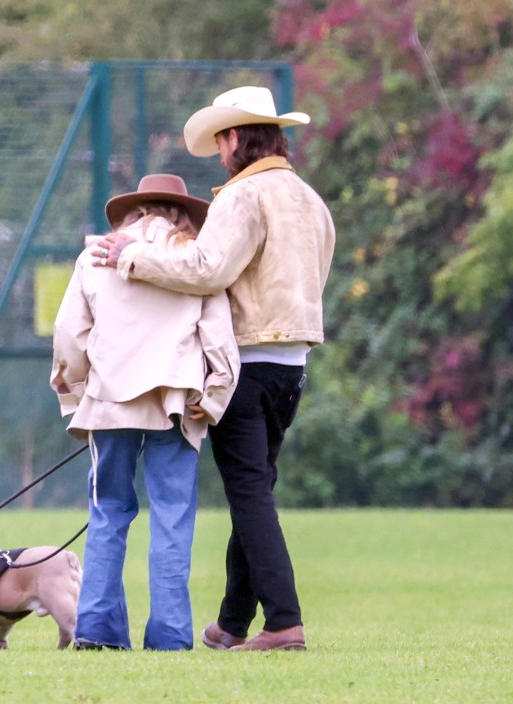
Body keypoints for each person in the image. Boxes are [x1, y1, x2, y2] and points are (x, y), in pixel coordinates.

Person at [95, 86, 336, 651]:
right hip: (292, 366)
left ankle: (284, 623)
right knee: (256, 490)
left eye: (221, 142)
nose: (220, 154)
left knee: (250, 494)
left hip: (247, 362)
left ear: (234, 138)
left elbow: (207, 269)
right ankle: (232, 623)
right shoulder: (310, 200)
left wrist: (130, 256)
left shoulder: (243, 196)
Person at [50, 174, 240, 651]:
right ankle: (172, 635)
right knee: (173, 516)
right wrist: (212, 397)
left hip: (110, 400)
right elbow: (220, 341)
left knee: (107, 512)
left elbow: (70, 335)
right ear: (180, 213)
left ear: (134, 211)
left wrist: (77, 397)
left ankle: (97, 629)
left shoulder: (95, 257)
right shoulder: (195, 261)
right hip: (175, 403)